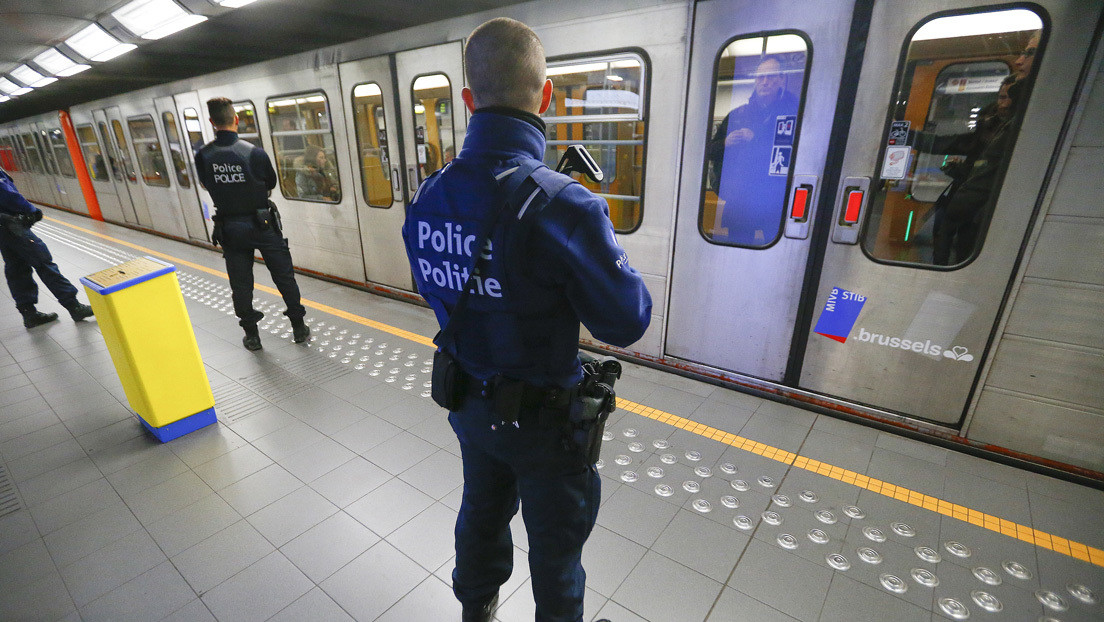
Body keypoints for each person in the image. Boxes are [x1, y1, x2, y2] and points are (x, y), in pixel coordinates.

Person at [402, 17, 651, 622]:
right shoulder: (566, 205)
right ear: (543, 96)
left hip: (468, 404)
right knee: (556, 553)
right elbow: (627, 320)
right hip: (545, 426)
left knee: (481, 512)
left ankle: (475, 610)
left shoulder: (427, 196)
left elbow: (436, 289)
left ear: (468, 99)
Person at [194, 97, 310, 350]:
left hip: (230, 228)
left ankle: (252, 335)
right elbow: (270, 184)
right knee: (284, 277)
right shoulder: (254, 153)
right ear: (236, 119)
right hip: (263, 224)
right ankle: (299, 329)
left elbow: (206, 184)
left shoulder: (204, 155)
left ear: (212, 122)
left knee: (241, 283)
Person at [706, 56, 800, 245]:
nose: (765, 82)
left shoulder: (794, 113)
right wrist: (726, 142)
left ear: (782, 79)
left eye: (771, 77)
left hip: (775, 199)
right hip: (740, 200)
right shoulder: (738, 115)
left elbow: (796, 153)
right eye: (760, 77)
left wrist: (756, 139)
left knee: (776, 251)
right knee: (736, 249)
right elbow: (709, 151)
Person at [0, 167, 94, 328]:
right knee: (43, 262)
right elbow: (5, 193)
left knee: (16, 268)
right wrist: (31, 210)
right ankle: (74, 306)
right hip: (11, 225)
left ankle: (28, 313)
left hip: (3, 229)